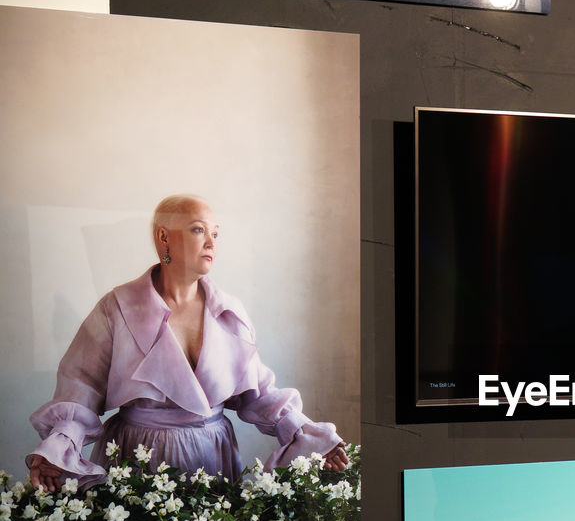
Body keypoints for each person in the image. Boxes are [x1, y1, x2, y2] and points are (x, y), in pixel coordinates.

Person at [27, 194, 348, 491]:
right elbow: (80, 388)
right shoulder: (118, 308)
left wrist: (311, 438)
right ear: (164, 237)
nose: (211, 242)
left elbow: (259, 393)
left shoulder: (229, 312)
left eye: (216, 233)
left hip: (213, 456)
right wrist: (58, 450)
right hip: (139, 456)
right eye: (198, 230)